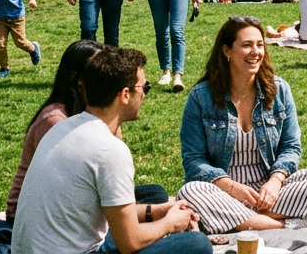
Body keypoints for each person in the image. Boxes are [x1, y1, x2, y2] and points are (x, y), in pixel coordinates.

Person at [12, 46, 212, 254]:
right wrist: (170, 224)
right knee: (197, 244)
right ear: (125, 94)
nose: (144, 95)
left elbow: (103, 209)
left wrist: (158, 212)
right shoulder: (108, 150)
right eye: (145, 87)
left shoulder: (64, 127)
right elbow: (130, 243)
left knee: (154, 196)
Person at [177, 17, 307, 233]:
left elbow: (291, 147)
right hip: (222, 192)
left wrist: (275, 181)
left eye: (259, 45)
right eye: (246, 45)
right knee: (190, 191)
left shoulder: (279, 90)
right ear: (227, 51)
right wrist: (231, 187)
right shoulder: (201, 97)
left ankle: (237, 221)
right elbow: (193, 160)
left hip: (268, 193)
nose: (255, 52)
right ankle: (285, 224)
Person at [10, 40, 150, 223]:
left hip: (75, 197)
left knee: (153, 194)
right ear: (79, 79)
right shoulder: (56, 121)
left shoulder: (92, 114)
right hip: (33, 214)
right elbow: (65, 189)